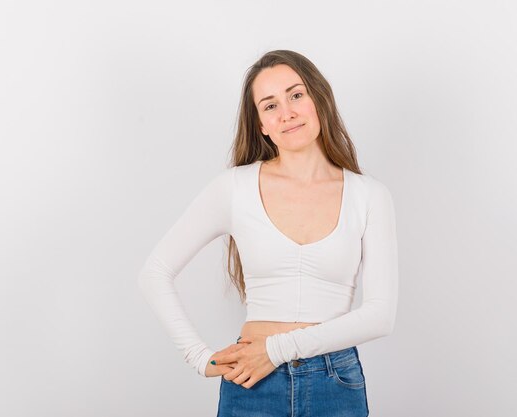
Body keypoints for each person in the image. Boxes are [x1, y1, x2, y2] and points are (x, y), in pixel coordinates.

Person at [137, 49, 398, 416]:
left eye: (296, 95)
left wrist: (275, 350)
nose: (287, 112)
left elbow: (380, 315)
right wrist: (200, 358)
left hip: (334, 382)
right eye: (270, 105)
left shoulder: (369, 195)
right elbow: (155, 272)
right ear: (261, 124)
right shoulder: (234, 188)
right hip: (251, 381)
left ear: (318, 99)